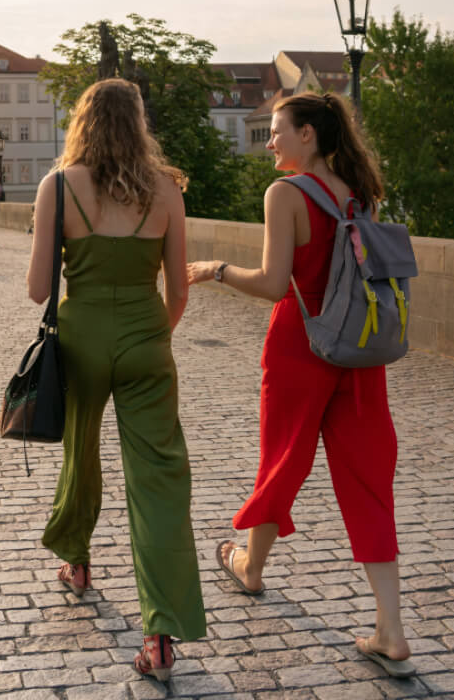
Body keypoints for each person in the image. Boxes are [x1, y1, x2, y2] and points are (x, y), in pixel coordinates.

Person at [185, 91, 413, 678]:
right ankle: (391, 628)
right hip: (357, 350)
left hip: (300, 344)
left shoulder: (284, 194)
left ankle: (250, 567)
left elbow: (272, 283)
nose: (270, 140)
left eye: (278, 130)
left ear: (308, 134)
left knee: (282, 460)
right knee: (368, 480)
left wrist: (214, 270)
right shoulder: (356, 194)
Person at [26, 78, 202, 682]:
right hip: (145, 334)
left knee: (82, 449)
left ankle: (75, 560)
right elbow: (179, 289)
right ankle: (161, 631)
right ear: (139, 124)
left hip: (81, 337)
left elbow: (36, 289)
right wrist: (155, 334)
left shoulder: (57, 186)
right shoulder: (167, 191)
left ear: (83, 123)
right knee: (157, 477)